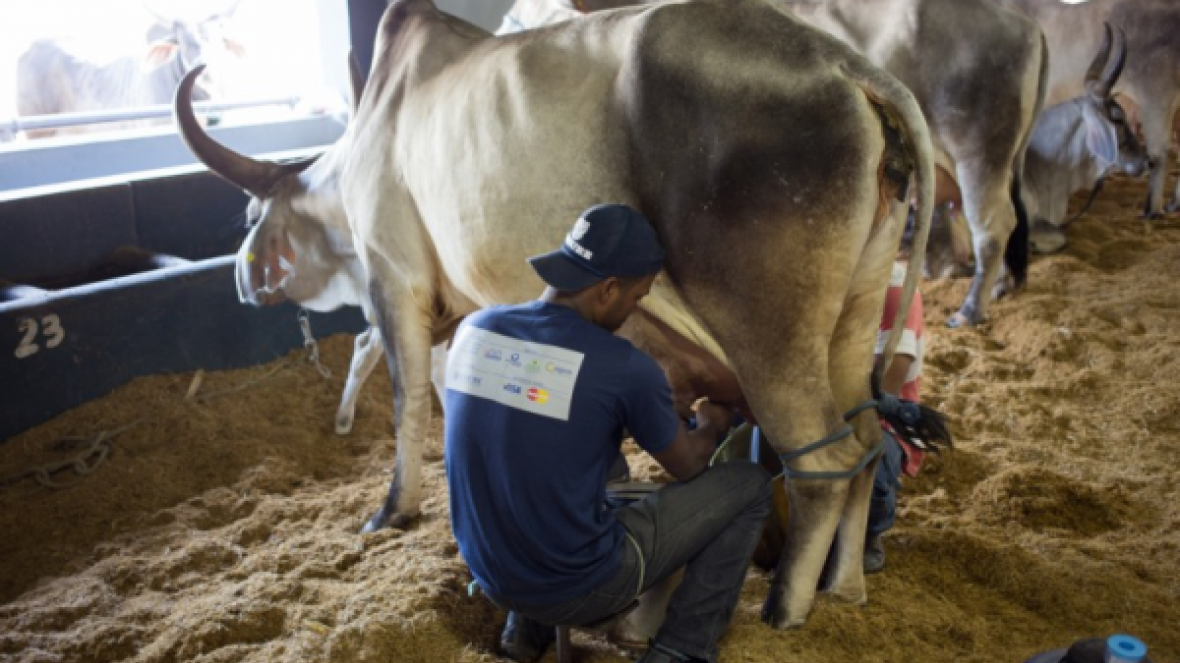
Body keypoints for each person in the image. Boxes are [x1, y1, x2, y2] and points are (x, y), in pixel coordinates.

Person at [444, 203, 773, 663]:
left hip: (489, 573)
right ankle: (684, 647)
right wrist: (714, 418)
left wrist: (641, 409)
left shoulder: (477, 328)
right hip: (582, 587)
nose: (632, 311)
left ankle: (526, 630)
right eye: (636, 298)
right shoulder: (622, 365)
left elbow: (538, 423)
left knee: (560, 456)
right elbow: (689, 465)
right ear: (608, 289)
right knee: (749, 486)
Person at [864, 250, 928, 574]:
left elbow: (888, 382)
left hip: (881, 419)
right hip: (821, 406)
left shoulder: (894, 288)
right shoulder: (822, 281)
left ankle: (871, 529)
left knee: (865, 464)